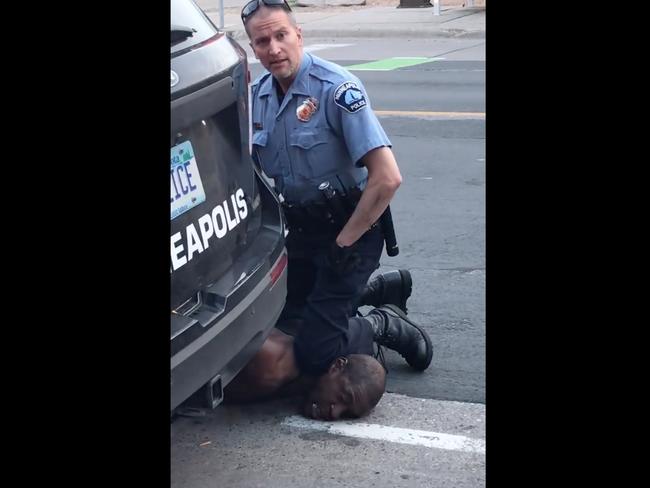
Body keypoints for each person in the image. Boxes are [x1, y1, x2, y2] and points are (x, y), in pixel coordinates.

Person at [241, 0, 433, 377]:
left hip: (351, 233)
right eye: (262, 41)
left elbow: (387, 178)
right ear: (253, 48)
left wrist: (344, 244)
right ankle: (373, 291)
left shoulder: (337, 89)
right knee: (279, 323)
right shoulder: (258, 97)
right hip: (300, 234)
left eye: (281, 35)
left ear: (299, 35)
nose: (274, 49)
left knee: (314, 352)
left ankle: (383, 322)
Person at [224, 270, 427, 421]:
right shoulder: (271, 366)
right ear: (335, 366)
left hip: (294, 314)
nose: (334, 412)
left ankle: (369, 293)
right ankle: (379, 323)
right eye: (342, 397)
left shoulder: (304, 379)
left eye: (345, 415)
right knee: (325, 349)